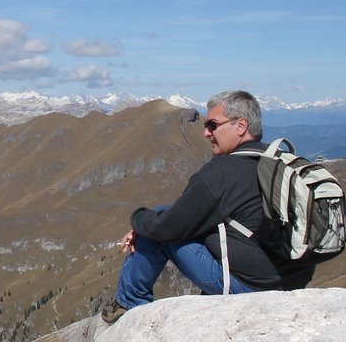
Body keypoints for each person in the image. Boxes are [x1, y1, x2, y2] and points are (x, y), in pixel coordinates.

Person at [102, 90, 315, 324]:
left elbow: (168, 229)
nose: (205, 133)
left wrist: (138, 220)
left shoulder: (223, 171)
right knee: (167, 216)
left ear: (241, 126)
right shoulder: (277, 162)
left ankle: (128, 304)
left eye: (213, 125)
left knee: (157, 227)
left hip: (252, 288)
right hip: (292, 282)